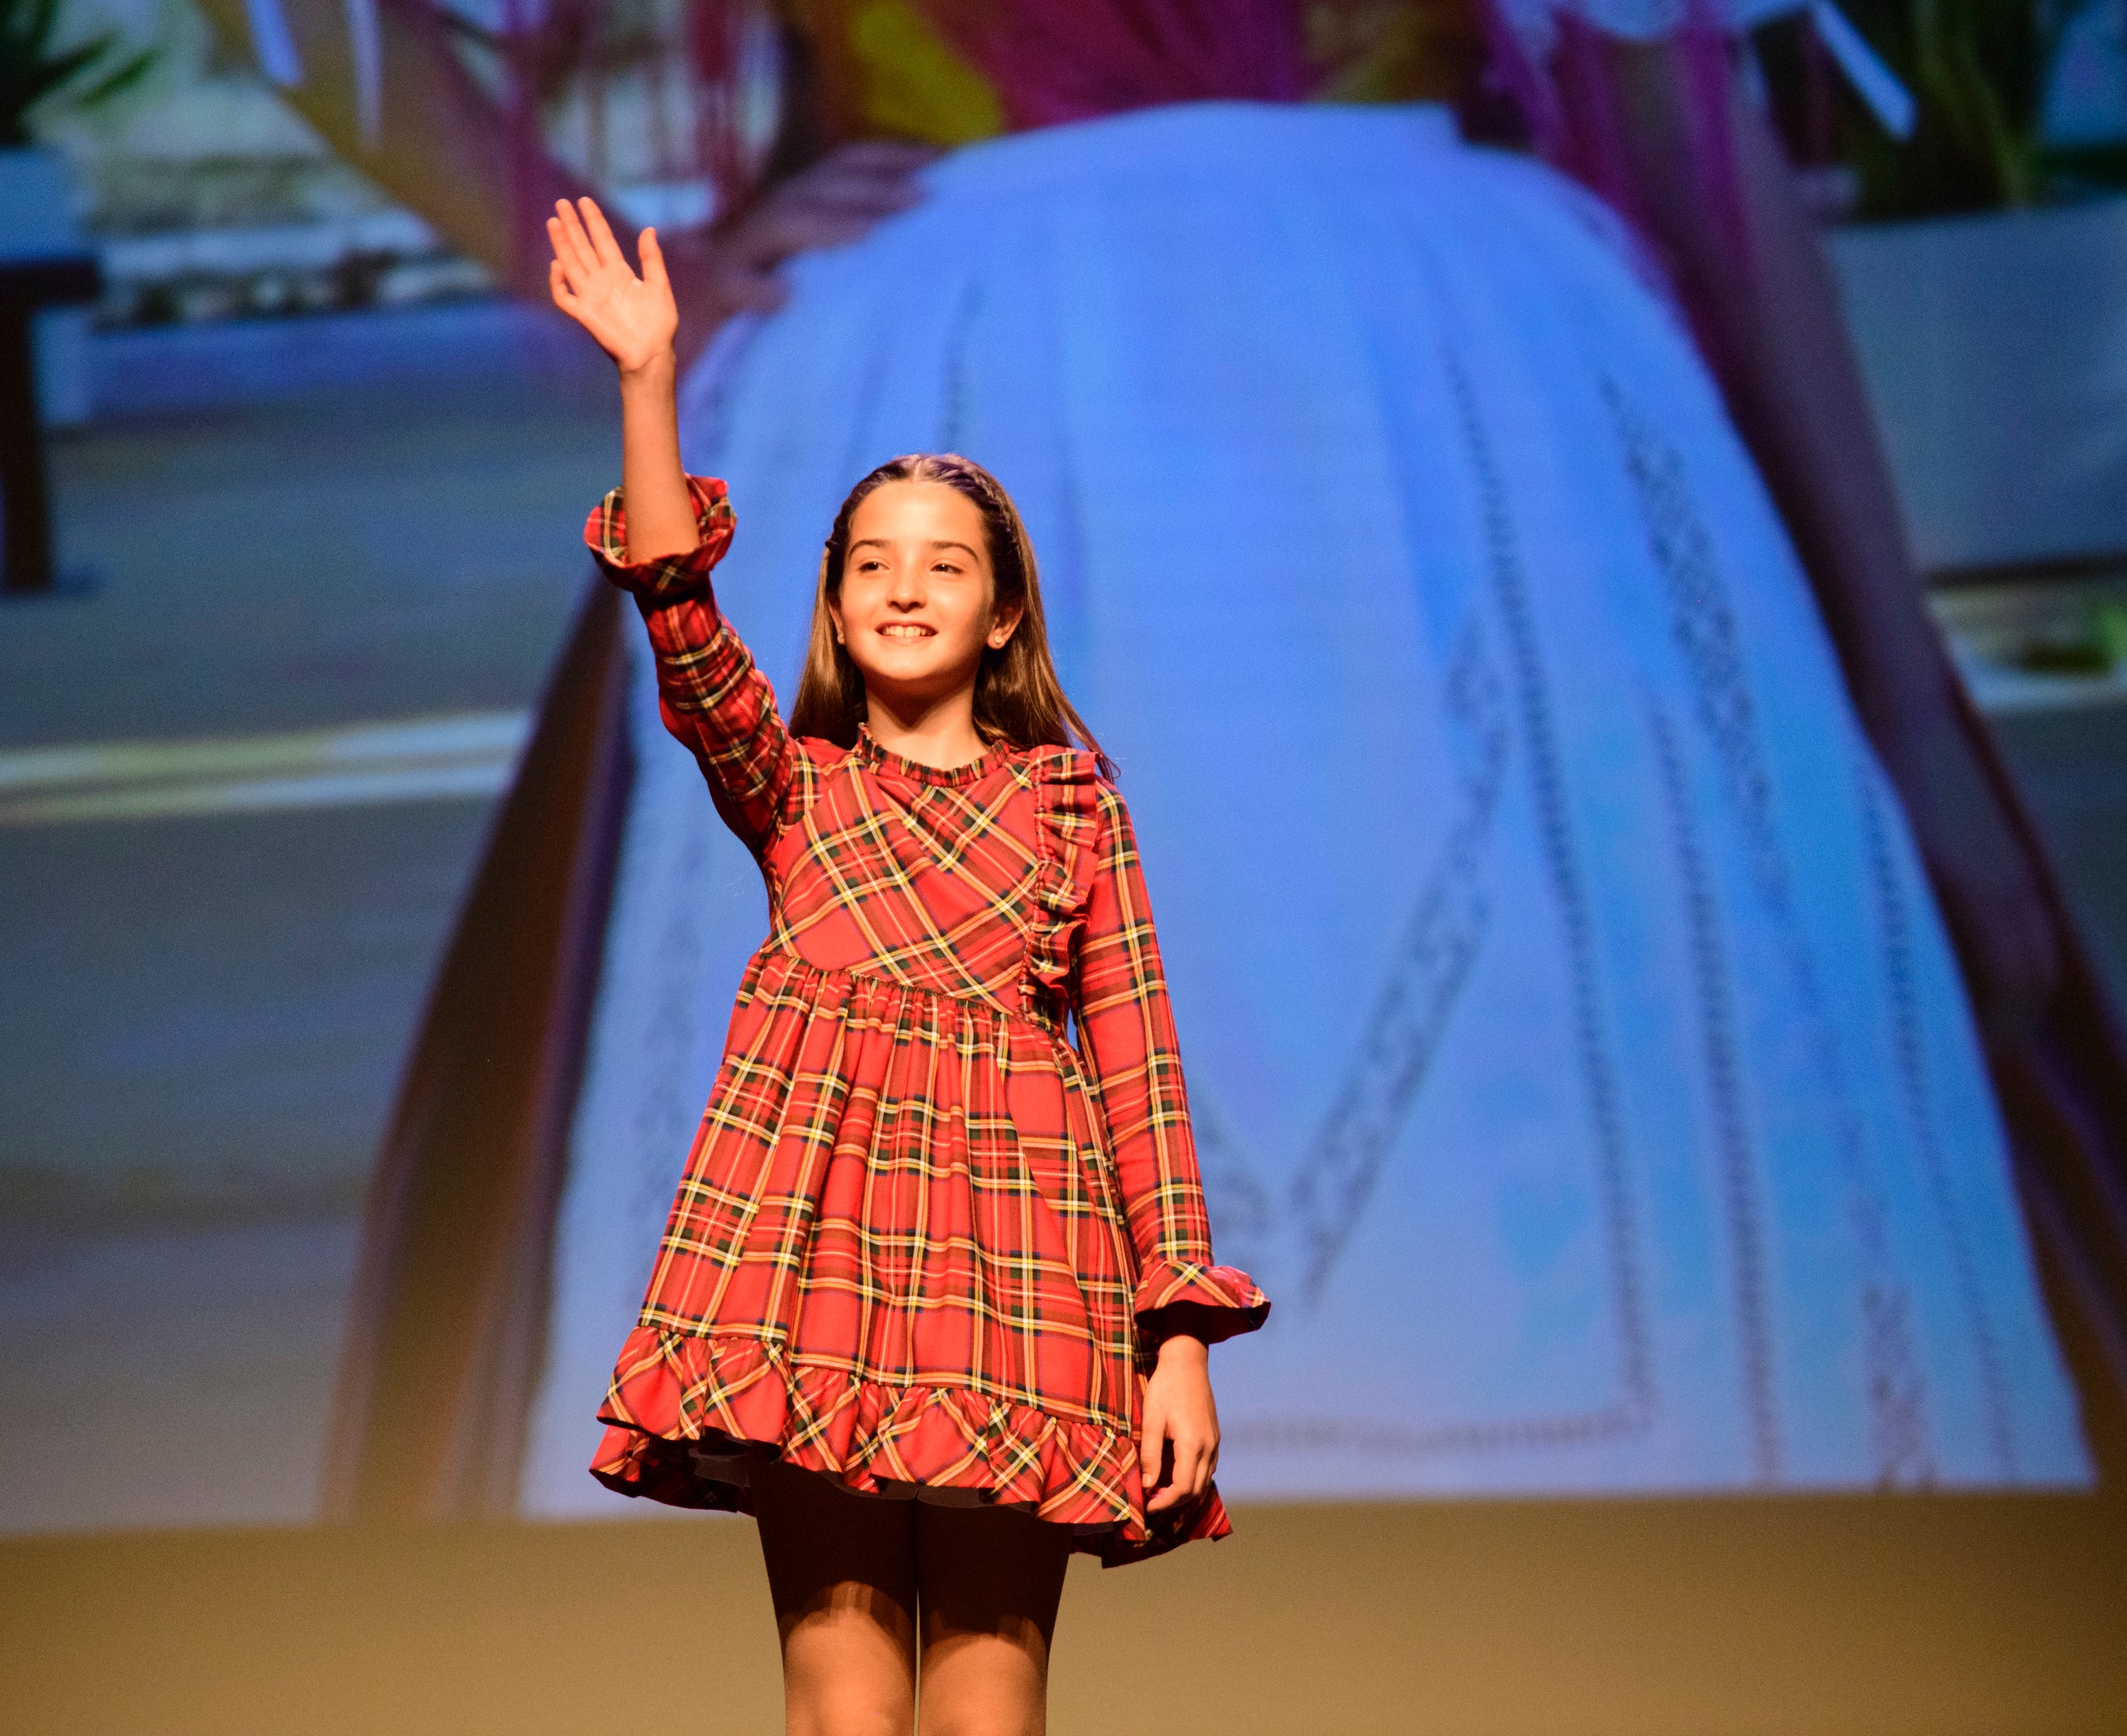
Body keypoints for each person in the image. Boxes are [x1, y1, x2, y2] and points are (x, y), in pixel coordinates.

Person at [201, 0, 2116, 1501]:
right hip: (1406, 385)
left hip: (1217, 391)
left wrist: (1905, 711)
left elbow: (1686, 145)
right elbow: (1685, 148)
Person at [545, 192, 1269, 1728]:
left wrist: (1179, 1341)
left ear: (1000, 607)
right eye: (869, 560)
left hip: (1025, 1264)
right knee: (840, 1703)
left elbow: (1137, 1060)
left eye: (944, 562)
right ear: (831, 598)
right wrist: (647, 380)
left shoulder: (1070, 799)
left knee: (986, 1712)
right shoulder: (792, 783)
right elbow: (679, 621)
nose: (903, 584)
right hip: (813, 1257)